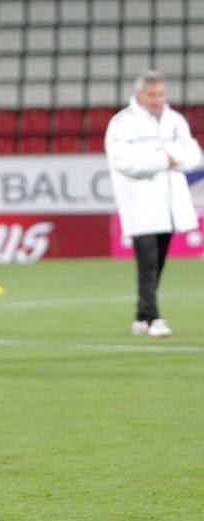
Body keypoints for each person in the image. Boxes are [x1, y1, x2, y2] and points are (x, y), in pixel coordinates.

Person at [105, 70, 202, 338]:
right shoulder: (122, 124)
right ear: (140, 94)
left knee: (157, 262)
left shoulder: (174, 120)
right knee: (147, 262)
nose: (157, 99)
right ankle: (155, 318)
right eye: (152, 95)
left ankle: (141, 316)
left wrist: (174, 160)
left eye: (160, 94)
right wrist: (165, 161)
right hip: (140, 204)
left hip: (170, 204)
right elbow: (125, 163)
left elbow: (193, 154)